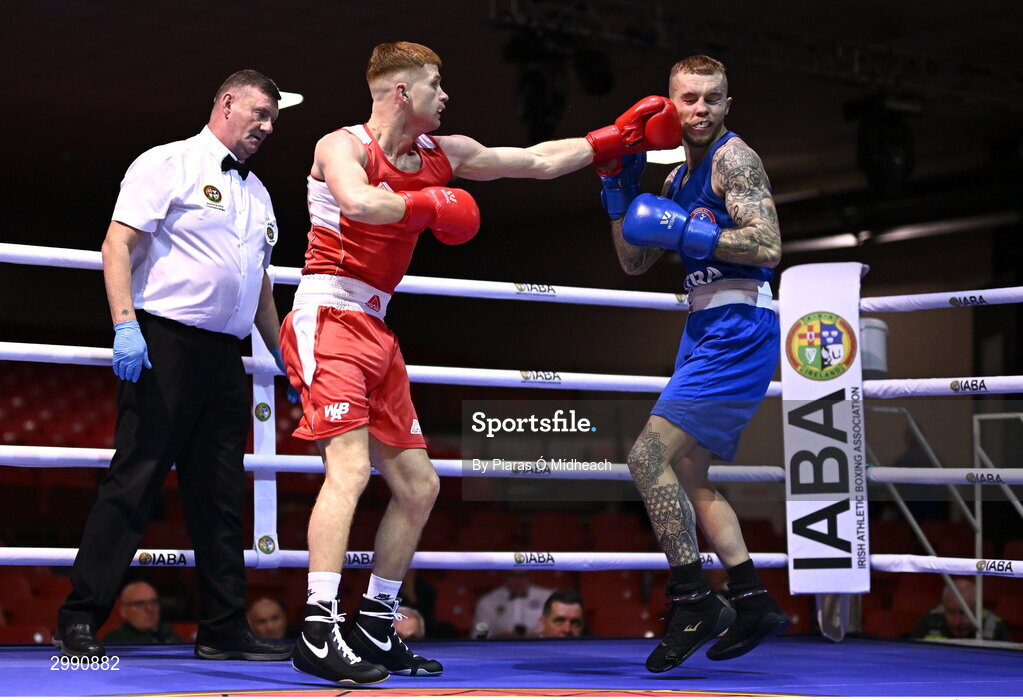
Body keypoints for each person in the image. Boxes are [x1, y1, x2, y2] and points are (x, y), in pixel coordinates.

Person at [278, 40, 681, 685]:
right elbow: (357, 202)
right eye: (436, 84)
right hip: (327, 314)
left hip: (376, 327)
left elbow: (539, 161)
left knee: (419, 486)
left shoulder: (446, 153)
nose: (447, 96)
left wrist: (615, 138)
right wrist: (429, 206)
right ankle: (318, 629)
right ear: (402, 91)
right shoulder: (343, 145)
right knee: (349, 470)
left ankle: (374, 626)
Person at [54, 70, 292, 664]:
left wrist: (286, 354)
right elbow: (117, 245)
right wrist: (125, 324)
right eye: (260, 113)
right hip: (164, 341)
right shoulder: (167, 164)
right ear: (227, 103)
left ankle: (223, 627)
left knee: (218, 497)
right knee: (134, 482)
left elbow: (258, 287)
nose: (267, 127)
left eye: (273, 120)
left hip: (225, 356)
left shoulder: (259, 193)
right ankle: (79, 619)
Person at [595, 55, 789, 673]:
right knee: (687, 473)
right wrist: (619, 193)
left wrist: (692, 234)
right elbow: (633, 261)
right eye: (688, 98)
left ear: (728, 104)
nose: (700, 108)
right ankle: (753, 600)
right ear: (669, 105)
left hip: (739, 323)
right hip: (703, 325)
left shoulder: (736, 159)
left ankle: (691, 596)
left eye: (712, 97)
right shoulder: (677, 181)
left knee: (645, 456)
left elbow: (767, 245)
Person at [911, 577, 1012, 642]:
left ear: (978, 608)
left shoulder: (995, 628)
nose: (957, 621)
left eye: (964, 613)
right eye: (951, 612)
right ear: (944, 607)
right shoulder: (928, 622)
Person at [473, 572, 553, 639]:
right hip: (501, 650)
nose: (518, 580)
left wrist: (540, 637)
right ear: (504, 575)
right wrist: (498, 638)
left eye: (523, 575)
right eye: (513, 575)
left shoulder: (547, 597)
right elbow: (479, 634)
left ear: (530, 576)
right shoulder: (487, 601)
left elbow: (558, 630)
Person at [103, 582, 184, 644]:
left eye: (153, 602)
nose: (150, 609)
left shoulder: (170, 635)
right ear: (124, 611)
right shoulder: (115, 642)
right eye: (140, 603)